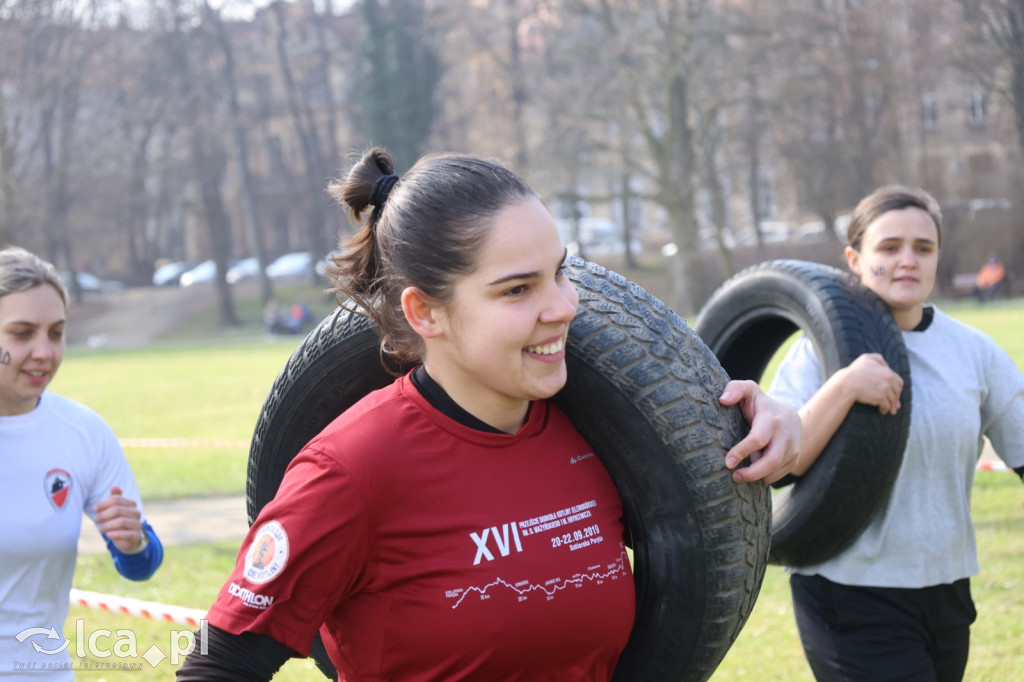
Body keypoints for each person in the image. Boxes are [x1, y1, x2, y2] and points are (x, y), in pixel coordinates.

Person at [177, 147, 802, 680]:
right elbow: (218, 667)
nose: (563, 308)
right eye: (518, 289)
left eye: (560, 274)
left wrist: (771, 427)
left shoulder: (595, 435)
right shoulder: (349, 470)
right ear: (426, 313)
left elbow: (720, 519)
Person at [767, 186, 1024, 681]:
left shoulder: (974, 351)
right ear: (855, 258)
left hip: (946, 589)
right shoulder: (815, 351)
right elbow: (782, 463)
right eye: (889, 247)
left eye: (923, 248)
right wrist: (843, 387)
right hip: (847, 593)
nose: (908, 260)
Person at [0, 246, 163, 679]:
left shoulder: (82, 432)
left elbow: (141, 563)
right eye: (21, 333)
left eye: (55, 333)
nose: (43, 352)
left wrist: (134, 542)